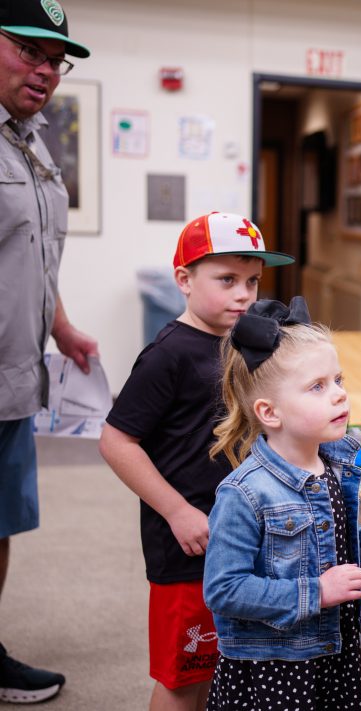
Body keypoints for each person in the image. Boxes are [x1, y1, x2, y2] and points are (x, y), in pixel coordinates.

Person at [98, 212, 294, 711]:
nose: (244, 295)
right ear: (184, 279)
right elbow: (116, 441)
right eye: (226, 280)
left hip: (239, 535)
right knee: (185, 679)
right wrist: (177, 511)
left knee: (228, 665)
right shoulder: (168, 354)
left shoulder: (239, 345)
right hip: (187, 547)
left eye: (252, 281)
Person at [203, 297, 361, 711]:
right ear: (269, 413)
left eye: (338, 380)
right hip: (277, 666)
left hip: (334, 650)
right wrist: (317, 592)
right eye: (317, 386)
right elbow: (223, 589)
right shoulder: (244, 493)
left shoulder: (332, 465)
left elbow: (317, 546)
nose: (339, 395)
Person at [0, 0, 94, 703]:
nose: (45, 71)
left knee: (0, 523)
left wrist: (60, 324)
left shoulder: (30, 143)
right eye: (29, 50)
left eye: (56, 60)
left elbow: (33, 256)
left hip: (15, 379)